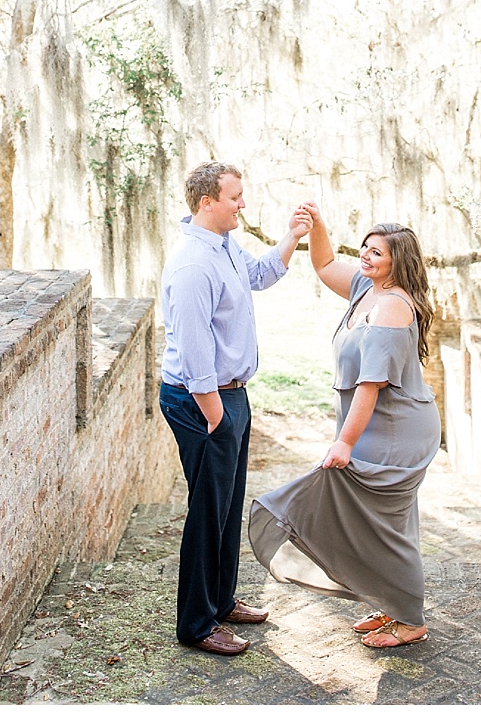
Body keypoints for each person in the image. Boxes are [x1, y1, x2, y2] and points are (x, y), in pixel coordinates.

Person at [248, 210, 440, 649]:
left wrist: (344, 443)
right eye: (365, 249)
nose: (366, 257)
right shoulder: (366, 289)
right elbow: (323, 264)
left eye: (377, 252)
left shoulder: (392, 306)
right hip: (374, 425)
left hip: (395, 430)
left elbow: (369, 387)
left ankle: (410, 619)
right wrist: (316, 223)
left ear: (399, 262)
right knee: (378, 523)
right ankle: (391, 602)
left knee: (386, 526)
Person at [158, 161, 310, 655]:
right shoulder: (192, 265)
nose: (243, 203)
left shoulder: (223, 247)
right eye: (235, 197)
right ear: (207, 203)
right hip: (202, 401)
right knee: (207, 511)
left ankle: (221, 601)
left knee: (226, 505)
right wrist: (215, 415)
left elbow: (260, 275)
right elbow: (195, 347)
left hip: (229, 395)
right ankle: (197, 625)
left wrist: (292, 236)